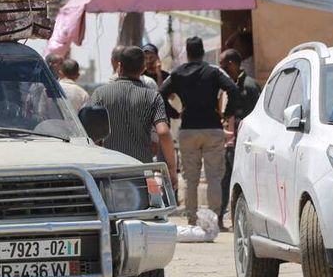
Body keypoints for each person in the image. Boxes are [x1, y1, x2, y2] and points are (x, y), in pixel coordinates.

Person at [160, 37, 238, 225]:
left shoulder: (178, 73)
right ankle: (215, 220)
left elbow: (160, 93)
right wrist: (227, 115)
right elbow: (233, 89)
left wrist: (175, 114)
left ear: (187, 53)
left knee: (191, 178)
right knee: (214, 177)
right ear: (202, 52)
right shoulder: (213, 71)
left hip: (188, 130)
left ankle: (193, 219)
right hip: (212, 129)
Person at [91, 47, 178, 187]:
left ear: (119, 66)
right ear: (143, 68)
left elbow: (89, 132)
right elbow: (163, 132)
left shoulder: (100, 94)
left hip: (110, 172)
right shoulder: (152, 97)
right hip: (142, 171)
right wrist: (172, 170)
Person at [218, 49, 262, 229]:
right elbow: (229, 112)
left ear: (232, 64)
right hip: (232, 143)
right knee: (225, 180)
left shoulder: (250, 85)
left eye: (223, 64)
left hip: (246, 144)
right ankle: (221, 218)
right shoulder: (231, 84)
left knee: (243, 182)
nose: (222, 68)